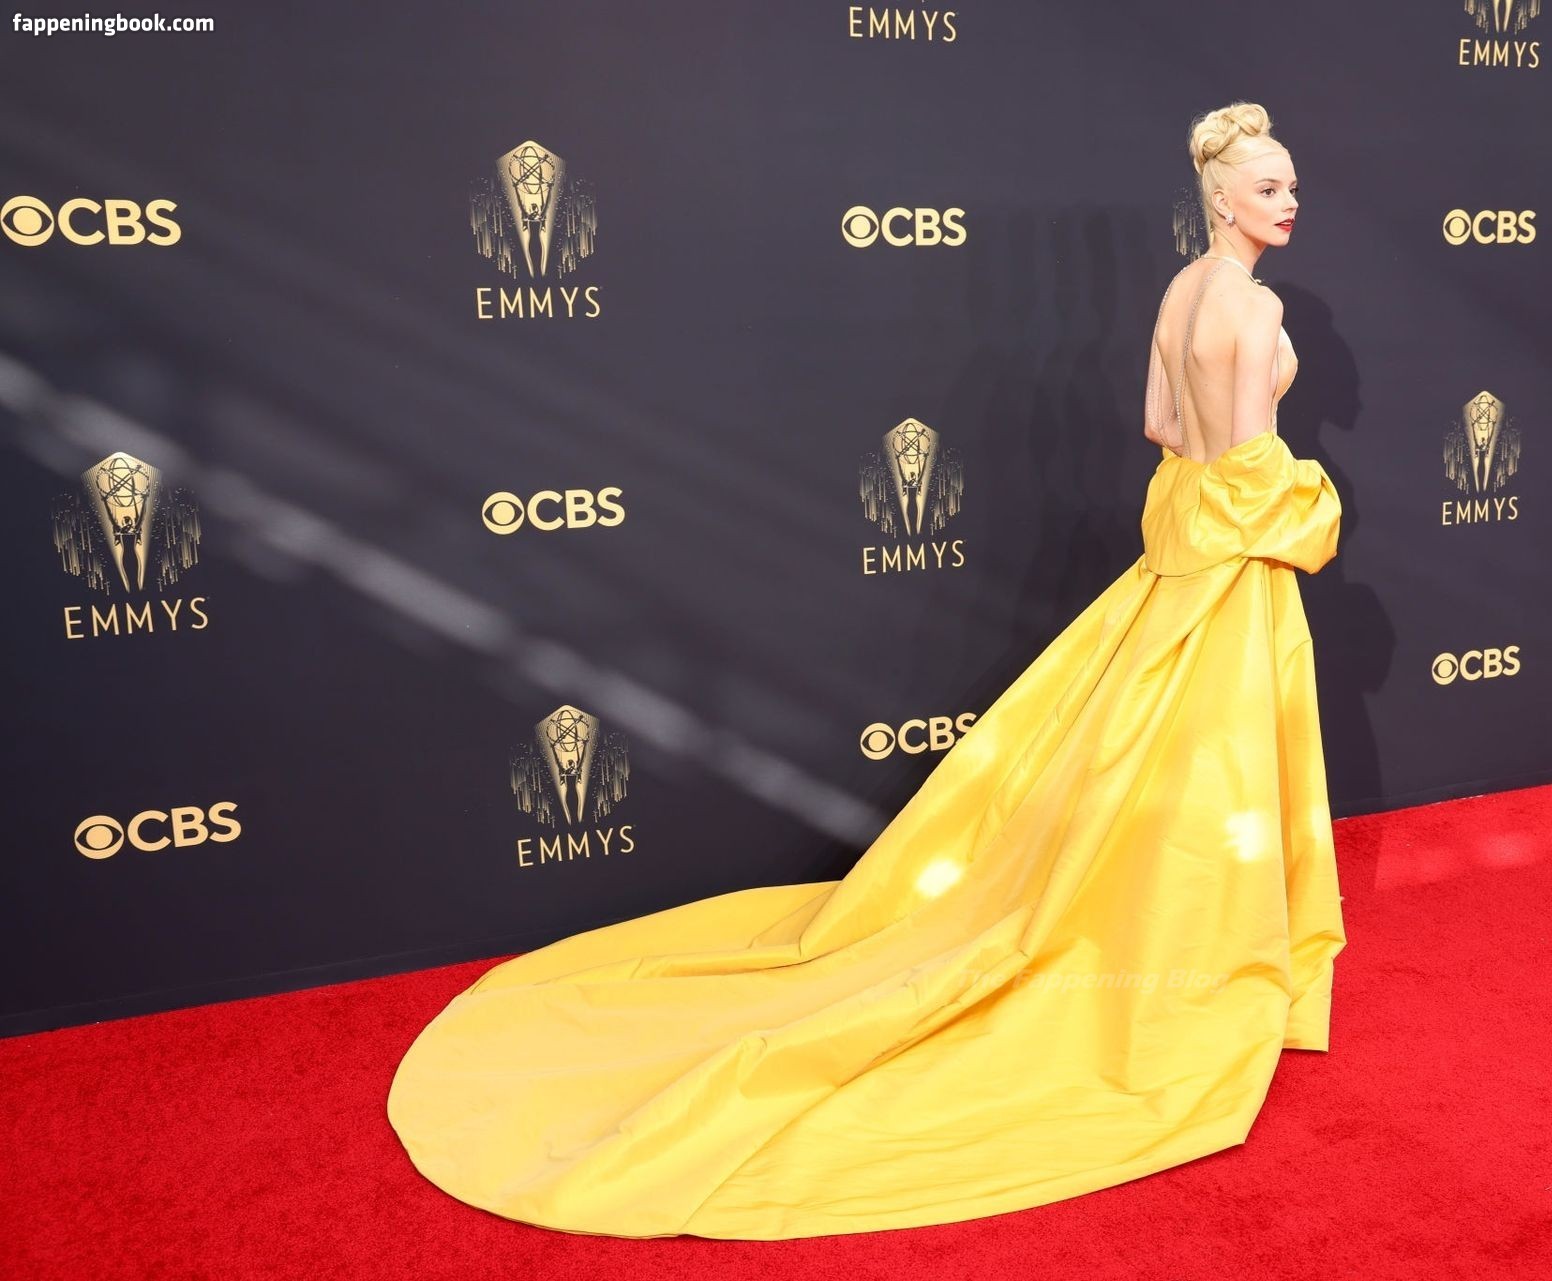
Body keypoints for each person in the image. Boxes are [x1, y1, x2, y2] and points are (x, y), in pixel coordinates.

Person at [387, 99, 1345, 1241]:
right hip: (1230, 571)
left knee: (1139, 771)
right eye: (1271, 188)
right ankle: (1196, 959)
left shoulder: (1183, 289)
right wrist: (1307, 504)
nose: (1290, 203)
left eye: (1291, 186)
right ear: (1223, 197)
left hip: (1175, 556)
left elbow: (1159, 428)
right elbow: (1246, 471)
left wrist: (1217, 493)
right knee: (1209, 780)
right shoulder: (1253, 305)